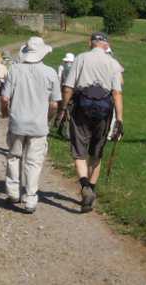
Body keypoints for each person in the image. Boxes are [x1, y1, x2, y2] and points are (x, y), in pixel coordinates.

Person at [61, 32, 124, 213]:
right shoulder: (113, 63)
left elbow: (68, 87)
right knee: (96, 152)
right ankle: (92, 190)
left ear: (90, 43)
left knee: (79, 151)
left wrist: (64, 108)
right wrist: (119, 119)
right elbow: (117, 93)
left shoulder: (81, 58)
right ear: (106, 45)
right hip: (104, 112)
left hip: (81, 108)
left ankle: (84, 186)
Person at [1, 36, 61, 213]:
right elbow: (54, 104)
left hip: (18, 121)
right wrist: (48, 119)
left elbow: (5, 97)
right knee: (34, 162)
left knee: (14, 156)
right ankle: (30, 198)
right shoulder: (51, 73)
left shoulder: (15, 70)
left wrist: (5, 113)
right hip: (38, 123)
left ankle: (13, 192)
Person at [53, 52, 75, 135]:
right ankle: (61, 126)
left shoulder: (61, 67)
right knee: (66, 109)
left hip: (64, 89)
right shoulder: (74, 68)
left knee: (63, 108)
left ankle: (59, 124)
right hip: (71, 90)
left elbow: (59, 78)